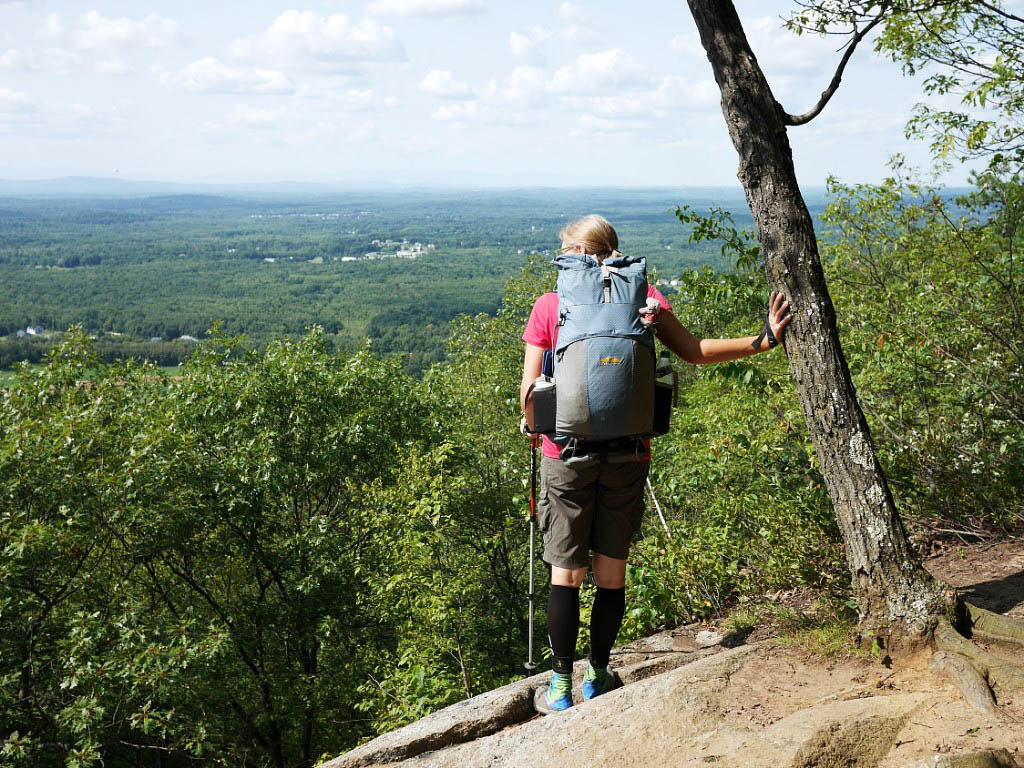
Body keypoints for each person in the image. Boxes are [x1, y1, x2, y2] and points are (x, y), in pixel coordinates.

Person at [520, 214, 791, 712]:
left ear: (574, 255)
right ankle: (598, 677)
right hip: (629, 453)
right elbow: (695, 352)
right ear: (613, 253)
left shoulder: (549, 306)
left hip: (565, 456)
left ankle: (559, 687)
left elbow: (529, 395)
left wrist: (540, 422)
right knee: (610, 571)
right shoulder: (646, 299)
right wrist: (764, 340)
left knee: (566, 573)